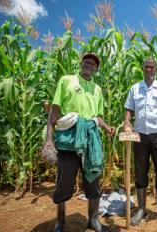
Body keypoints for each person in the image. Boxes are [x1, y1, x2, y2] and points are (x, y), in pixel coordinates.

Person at [43, 53, 115, 232]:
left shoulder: (97, 89)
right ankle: (60, 221)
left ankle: (93, 220)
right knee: (64, 180)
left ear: (96, 70)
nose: (89, 65)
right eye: (87, 62)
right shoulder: (66, 81)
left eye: (93, 64)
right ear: (81, 63)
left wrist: (107, 128)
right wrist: (49, 139)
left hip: (91, 139)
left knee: (93, 180)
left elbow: (97, 116)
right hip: (69, 138)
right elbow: (55, 110)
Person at [123, 58, 157, 226]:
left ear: (156, 69)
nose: (149, 69)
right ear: (143, 68)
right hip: (139, 135)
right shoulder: (135, 89)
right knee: (140, 171)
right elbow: (129, 110)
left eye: (152, 67)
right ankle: (141, 208)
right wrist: (126, 122)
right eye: (147, 66)